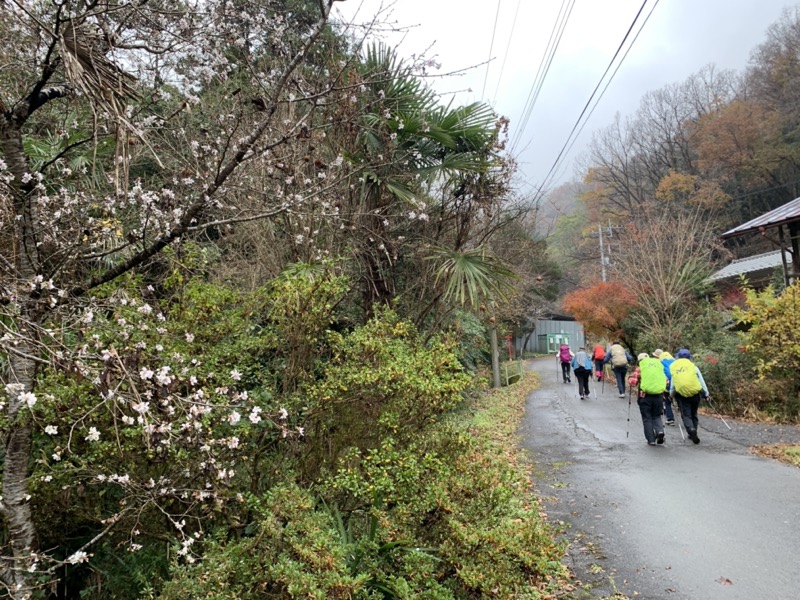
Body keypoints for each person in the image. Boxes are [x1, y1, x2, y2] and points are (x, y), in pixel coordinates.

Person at [669, 348, 709, 445]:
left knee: (686, 414)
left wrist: (671, 394)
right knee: (694, 413)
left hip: (682, 395)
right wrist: (706, 393)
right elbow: (701, 381)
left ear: (678, 357)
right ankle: (693, 431)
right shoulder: (694, 367)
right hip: (695, 394)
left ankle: (691, 430)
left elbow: (673, 384)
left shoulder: (675, 368)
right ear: (689, 357)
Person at [637, 352, 667, 446]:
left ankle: (651, 440)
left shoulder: (640, 368)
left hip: (645, 396)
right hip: (658, 396)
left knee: (647, 418)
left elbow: (632, 381)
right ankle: (660, 431)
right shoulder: (658, 367)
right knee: (656, 415)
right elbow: (666, 380)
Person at [653, 349, 676, 425]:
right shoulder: (673, 360)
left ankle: (670, 418)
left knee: (667, 401)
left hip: (667, 383)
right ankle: (686, 417)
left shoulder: (659, 362)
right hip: (677, 383)